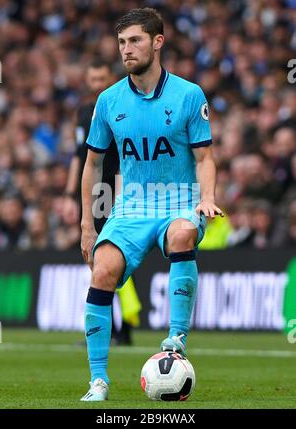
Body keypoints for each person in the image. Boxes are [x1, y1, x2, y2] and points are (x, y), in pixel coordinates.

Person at [80, 8, 223, 401]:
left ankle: (175, 337)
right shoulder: (108, 101)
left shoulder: (189, 95)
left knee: (182, 234)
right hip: (131, 205)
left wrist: (207, 198)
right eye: (122, 42)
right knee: (102, 271)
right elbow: (92, 164)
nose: (127, 50)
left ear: (158, 42)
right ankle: (98, 380)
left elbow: (204, 158)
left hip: (180, 200)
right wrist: (87, 225)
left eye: (136, 40)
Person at [63, 59, 140, 345]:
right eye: (92, 80)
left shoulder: (125, 107)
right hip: (93, 192)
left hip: (117, 189)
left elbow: (128, 153)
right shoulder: (84, 113)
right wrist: (70, 196)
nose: (96, 85)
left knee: (113, 256)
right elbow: (78, 156)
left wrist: (124, 191)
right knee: (98, 259)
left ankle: (120, 326)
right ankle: (110, 327)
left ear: (112, 78)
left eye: (101, 79)